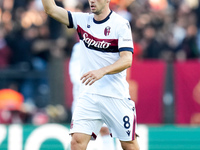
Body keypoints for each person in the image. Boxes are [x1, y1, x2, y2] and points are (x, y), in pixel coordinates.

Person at [41, 0, 140, 150]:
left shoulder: (120, 24)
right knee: (77, 141)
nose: (92, 1)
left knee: (129, 146)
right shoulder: (82, 20)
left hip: (115, 95)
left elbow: (127, 59)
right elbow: (51, 9)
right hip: (88, 95)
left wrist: (102, 71)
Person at [69, 42, 115, 150]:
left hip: (103, 93)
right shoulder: (79, 47)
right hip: (84, 97)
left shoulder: (105, 43)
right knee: (80, 135)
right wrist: (91, 82)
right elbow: (74, 74)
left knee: (105, 131)